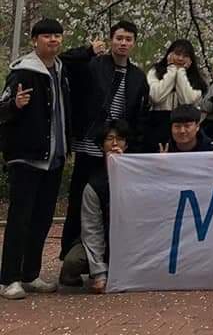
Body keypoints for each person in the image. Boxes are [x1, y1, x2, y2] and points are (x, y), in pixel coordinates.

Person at [60, 20, 148, 262]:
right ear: (111, 40)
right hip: (90, 143)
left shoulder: (138, 76)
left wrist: (133, 147)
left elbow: (139, 115)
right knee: (79, 198)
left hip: (118, 148)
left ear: (134, 43)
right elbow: (65, 62)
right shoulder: (94, 65)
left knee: (113, 201)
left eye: (128, 39)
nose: (123, 43)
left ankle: (110, 256)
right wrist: (87, 51)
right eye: (119, 38)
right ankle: (70, 255)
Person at [0, 18, 70, 300]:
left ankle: (30, 273)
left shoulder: (61, 70)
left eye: (57, 35)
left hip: (54, 157)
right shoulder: (23, 72)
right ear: (34, 40)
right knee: (20, 219)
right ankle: (9, 279)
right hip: (27, 156)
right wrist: (14, 105)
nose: (53, 40)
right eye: (46, 36)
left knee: (42, 219)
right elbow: (2, 107)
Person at [59, 121, 128, 293]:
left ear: (126, 145)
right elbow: (92, 229)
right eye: (109, 139)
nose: (115, 144)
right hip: (101, 239)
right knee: (73, 262)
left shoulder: (138, 176)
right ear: (101, 145)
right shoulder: (93, 184)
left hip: (127, 240)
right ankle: (92, 271)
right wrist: (99, 274)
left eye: (120, 139)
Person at [144, 39, 206, 153]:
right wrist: (172, 70)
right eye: (177, 54)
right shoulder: (155, 72)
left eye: (185, 56)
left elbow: (187, 101)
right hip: (158, 123)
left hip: (183, 126)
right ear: (169, 54)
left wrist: (181, 72)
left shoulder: (197, 80)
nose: (180, 58)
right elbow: (156, 96)